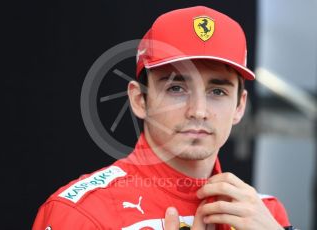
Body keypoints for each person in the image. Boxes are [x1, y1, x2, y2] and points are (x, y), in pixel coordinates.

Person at [33, 6, 295, 230]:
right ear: (139, 100)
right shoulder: (80, 213)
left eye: (217, 91)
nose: (198, 111)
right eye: (176, 88)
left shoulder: (265, 213)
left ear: (239, 106)